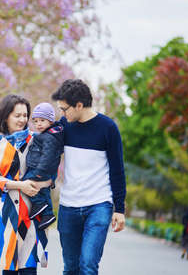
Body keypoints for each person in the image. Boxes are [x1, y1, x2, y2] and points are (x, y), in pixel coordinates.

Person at [51, 79, 126, 275]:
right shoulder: (64, 126)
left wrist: (120, 208)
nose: (62, 114)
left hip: (99, 205)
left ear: (79, 105)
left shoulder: (108, 128)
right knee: (71, 268)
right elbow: (48, 155)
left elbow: (117, 170)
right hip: (69, 206)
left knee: (88, 265)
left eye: (64, 109)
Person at [0, 94, 52, 275]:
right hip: (7, 215)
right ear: (5, 116)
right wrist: (20, 185)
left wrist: (41, 183)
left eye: (25, 115)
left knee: (29, 267)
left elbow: (50, 172)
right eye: (17, 115)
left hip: (32, 212)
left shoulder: (37, 139)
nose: (22, 120)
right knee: (9, 267)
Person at [23, 102, 63, 230]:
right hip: (43, 168)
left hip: (41, 169)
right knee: (43, 190)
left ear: (50, 121)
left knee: (27, 182)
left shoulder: (48, 137)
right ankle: (48, 214)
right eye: (35, 121)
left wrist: (39, 171)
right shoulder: (48, 135)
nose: (38, 124)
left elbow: (48, 156)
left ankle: (39, 205)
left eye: (42, 120)